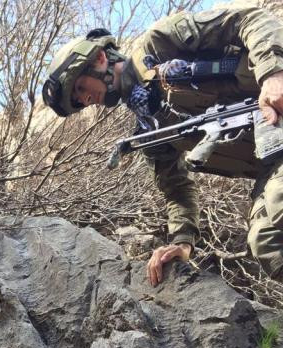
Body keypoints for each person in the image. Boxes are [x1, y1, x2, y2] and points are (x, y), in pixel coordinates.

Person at [41, 5, 283, 287]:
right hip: (271, 159)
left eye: (80, 88)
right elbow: (176, 189)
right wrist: (181, 243)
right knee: (266, 241)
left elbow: (248, 19)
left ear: (99, 58)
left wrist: (272, 74)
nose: (85, 100)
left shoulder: (160, 42)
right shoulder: (150, 130)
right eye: (78, 101)